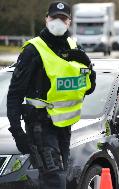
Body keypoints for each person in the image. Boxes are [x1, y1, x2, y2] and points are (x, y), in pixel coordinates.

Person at [6, 1, 96, 189]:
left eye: (62, 18)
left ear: (69, 22)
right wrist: (17, 131)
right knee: (54, 180)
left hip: (64, 127)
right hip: (39, 126)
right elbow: (14, 94)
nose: (58, 21)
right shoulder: (33, 50)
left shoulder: (73, 47)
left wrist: (88, 67)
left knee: (59, 178)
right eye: (54, 17)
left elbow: (88, 88)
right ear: (46, 19)